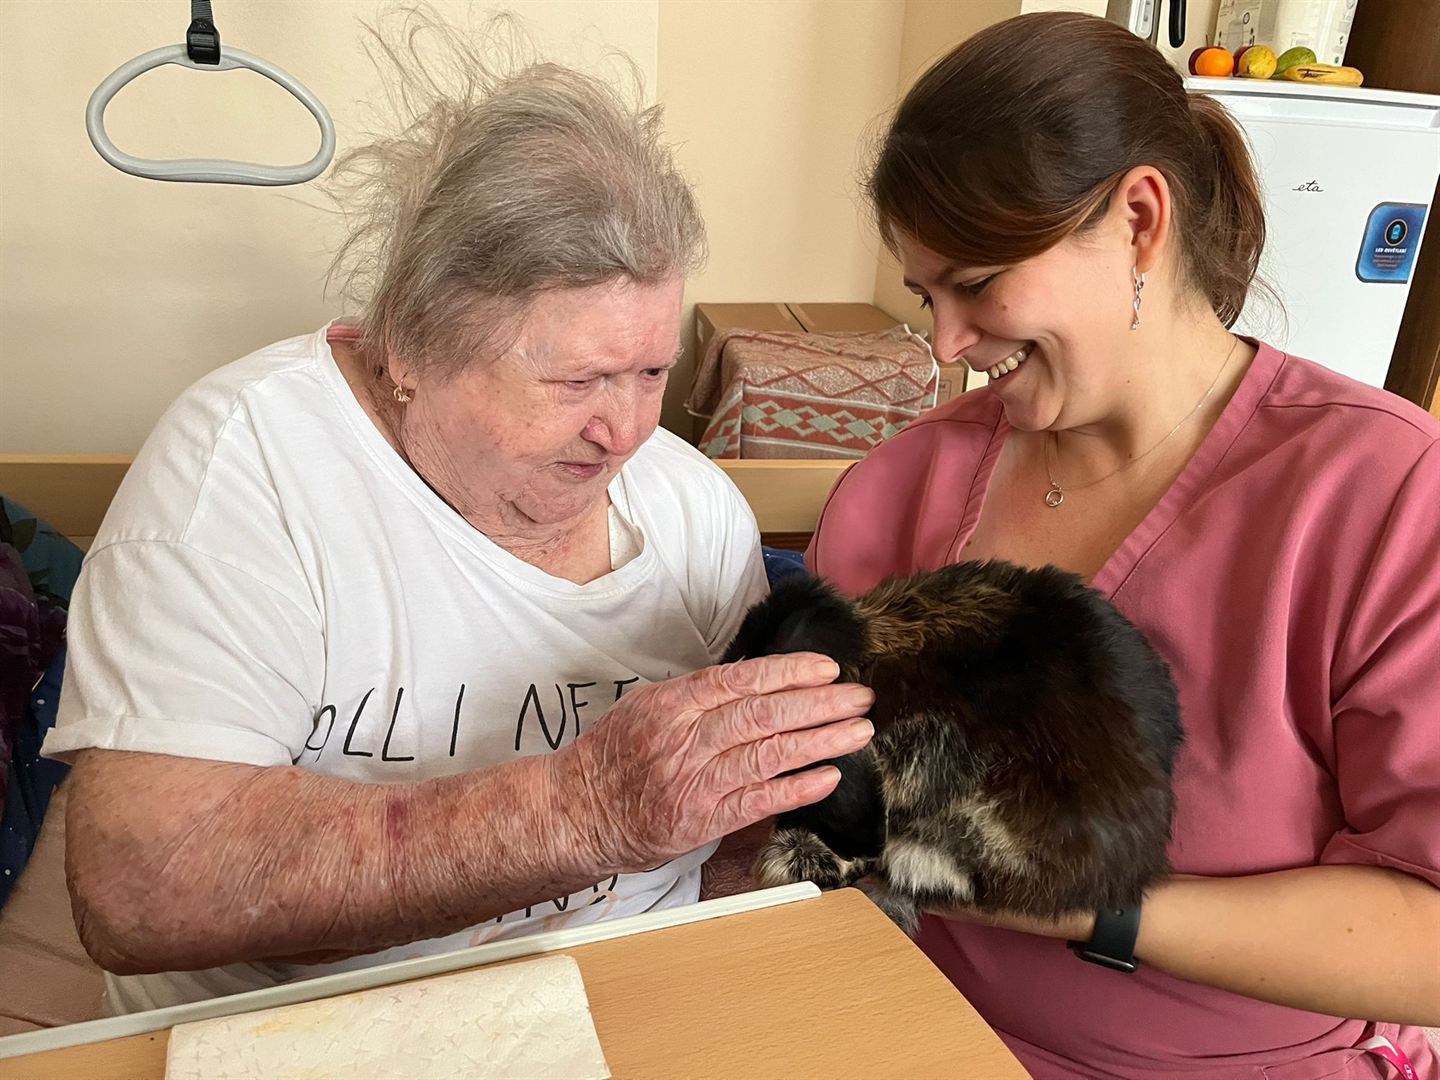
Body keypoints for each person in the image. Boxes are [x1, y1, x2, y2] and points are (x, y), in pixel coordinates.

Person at [43, 25, 874, 1013]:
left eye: (653, 372)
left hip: (630, 999)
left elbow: (741, 831)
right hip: (313, 1027)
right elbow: (144, 888)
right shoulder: (243, 472)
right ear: (407, 346)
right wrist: (581, 809)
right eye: (576, 380)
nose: (625, 432)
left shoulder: (694, 509)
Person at [811, 12, 1440, 1078]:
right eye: (928, 296)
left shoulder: (1384, 498)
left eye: (977, 283)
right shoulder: (899, 488)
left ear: (1141, 219)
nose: (947, 344)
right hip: (907, 1032)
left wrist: (1086, 906)